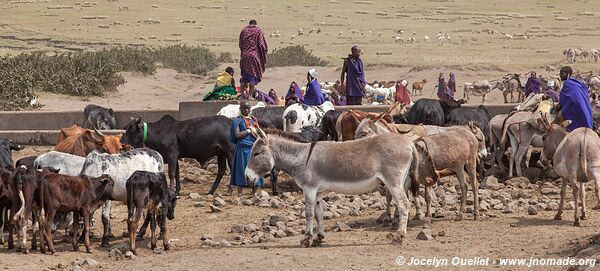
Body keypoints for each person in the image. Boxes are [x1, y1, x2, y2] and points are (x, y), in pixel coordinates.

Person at [229, 100, 264, 196]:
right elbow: (237, 135)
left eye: (248, 108)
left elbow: (258, 133)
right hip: (243, 149)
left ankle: (255, 192)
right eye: (245, 108)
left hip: (253, 149)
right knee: (241, 169)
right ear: (241, 109)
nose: (247, 110)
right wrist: (249, 131)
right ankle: (240, 192)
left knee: (255, 170)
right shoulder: (237, 120)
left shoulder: (253, 120)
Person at [239, 19, 268, 99]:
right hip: (253, 57)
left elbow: (240, 44)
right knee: (253, 76)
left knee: (244, 77)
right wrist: (263, 55)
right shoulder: (258, 31)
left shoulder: (244, 31)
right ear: (256, 24)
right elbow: (262, 45)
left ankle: (242, 95)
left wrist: (245, 50)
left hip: (244, 56)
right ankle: (250, 96)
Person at [558, 66, 593, 131]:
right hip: (583, 107)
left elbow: (564, 99)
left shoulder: (567, 83)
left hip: (574, 108)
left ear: (568, 73)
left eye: (562, 74)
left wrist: (560, 105)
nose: (560, 76)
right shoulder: (576, 83)